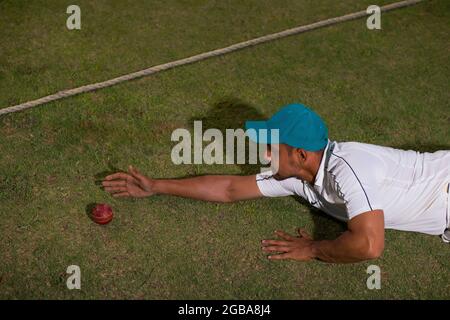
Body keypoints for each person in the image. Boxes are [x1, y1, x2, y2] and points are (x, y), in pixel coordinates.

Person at [101, 103, 450, 263]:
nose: (264, 155)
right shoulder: (297, 176)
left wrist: (314, 248)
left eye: (271, 148)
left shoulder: (347, 169)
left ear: (300, 154)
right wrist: (157, 186)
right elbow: (229, 189)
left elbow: (369, 246)